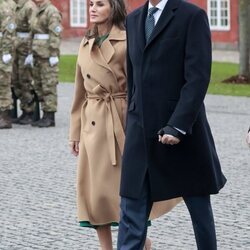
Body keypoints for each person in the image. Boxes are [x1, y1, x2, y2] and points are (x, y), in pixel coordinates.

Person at [69, 0, 180, 249]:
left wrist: (139, 124)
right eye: (90, 4)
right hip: (92, 125)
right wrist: (74, 131)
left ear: (114, 8)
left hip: (121, 123)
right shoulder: (85, 43)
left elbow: (138, 87)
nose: (93, 8)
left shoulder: (128, 39)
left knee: (127, 193)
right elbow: (79, 93)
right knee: (96, 196)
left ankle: (139, 243)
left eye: (100, 4)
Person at [117, 0, 227, 249]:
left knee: (199, 211)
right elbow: (133, 78)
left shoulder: (192, 16)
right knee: (131, 212)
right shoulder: (133, 20)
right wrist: (131, 118)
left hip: (182, 133)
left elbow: (198, 78)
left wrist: (178, 125)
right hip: (140, 133)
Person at [31, 0, 62, 127]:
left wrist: (53, 54)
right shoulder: (37, 10)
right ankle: (44, 113)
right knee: (39, 84)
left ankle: (50, 116)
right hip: (37, 53)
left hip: (47, 54)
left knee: (49, 84)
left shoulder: (51, 11)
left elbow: (55, 34)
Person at [12, 0, 37, 125]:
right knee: (16, 80)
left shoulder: (28, 6)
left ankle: (29, 111)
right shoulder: (15, 6)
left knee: (25, 80)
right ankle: (24, 109)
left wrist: (30, 51)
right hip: (15, 48)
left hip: (25, 48)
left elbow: (33, 29)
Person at [0, 0, 16, 129]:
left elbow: (8, 32)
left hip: (2, 52)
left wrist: (6, 52)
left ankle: (5, 117)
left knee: (4, 83)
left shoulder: (4, 8)